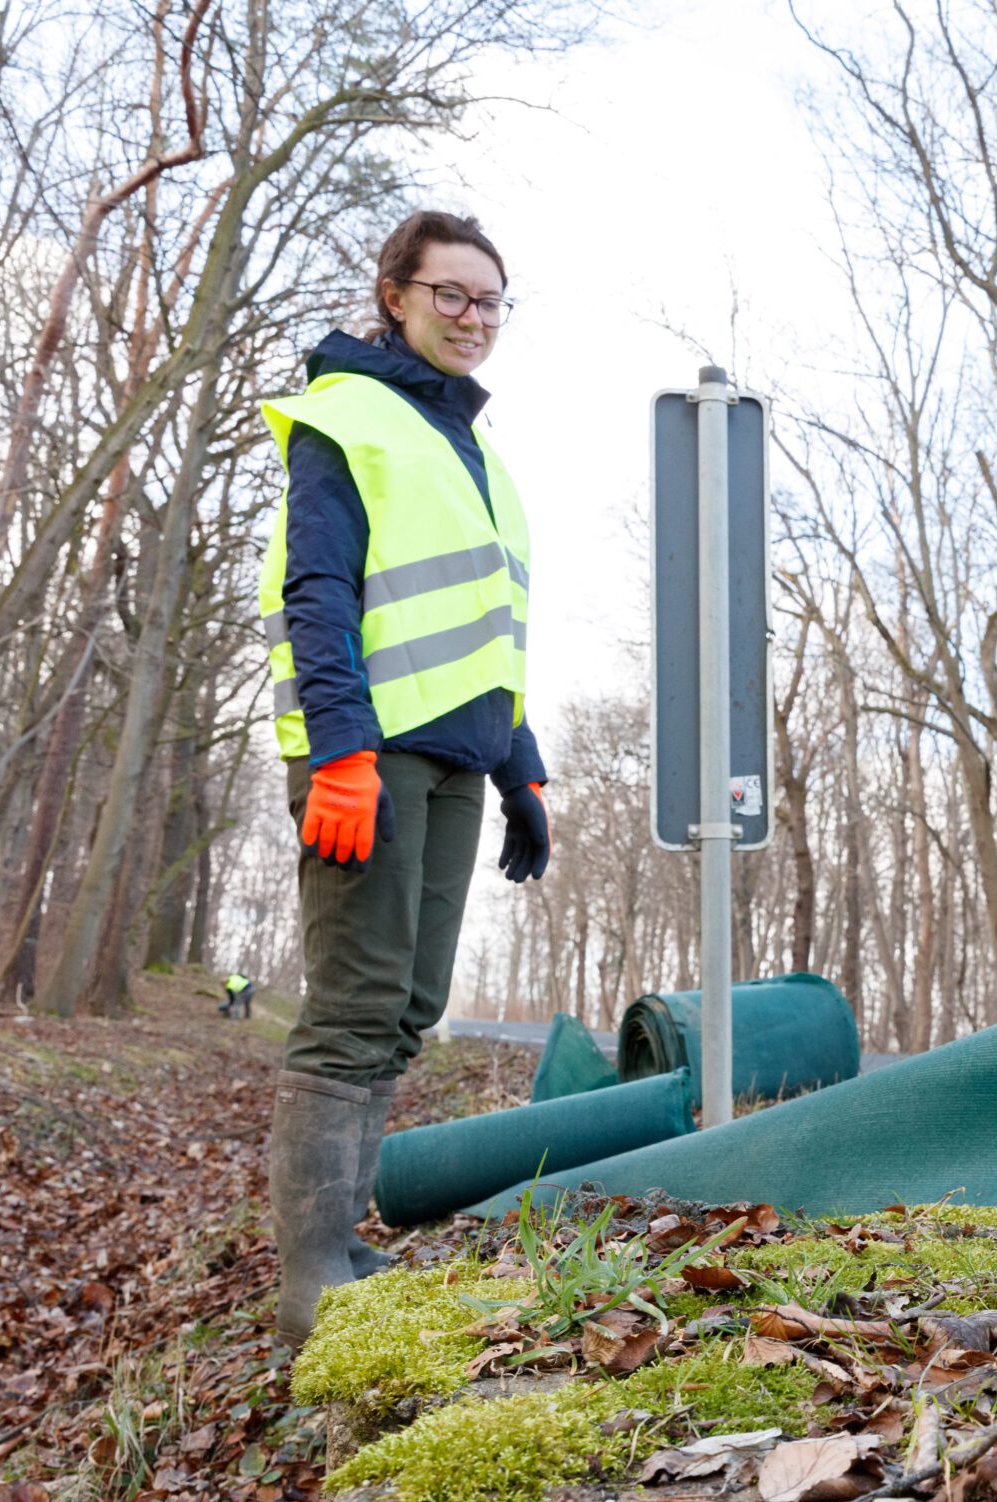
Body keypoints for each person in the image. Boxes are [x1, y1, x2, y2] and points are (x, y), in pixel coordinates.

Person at [258, 209, 554, 1345]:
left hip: (456, 760)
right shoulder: (346, 416)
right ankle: (309, 1281)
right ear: (395, 293)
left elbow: (491, 636)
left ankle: (341, 1248)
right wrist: (336, 753)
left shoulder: (472, 451)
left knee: (409, 1008)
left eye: (490, 301)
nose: (473, 318)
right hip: (368, 754)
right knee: (350, 1009)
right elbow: (318, 594)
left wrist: (521, 768)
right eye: (451, 295)